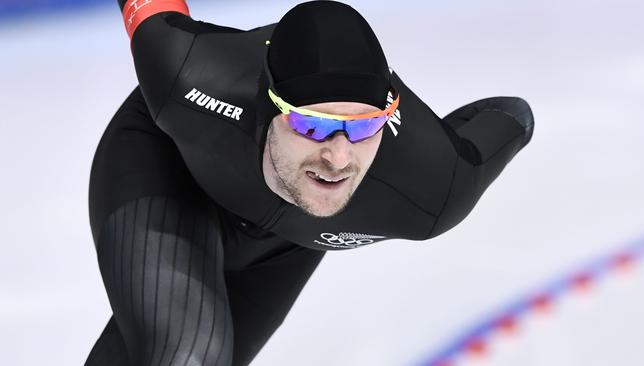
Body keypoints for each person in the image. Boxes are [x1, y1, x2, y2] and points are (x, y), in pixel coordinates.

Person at [85, 1, 534, 365]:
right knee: (190, 354)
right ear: (269, 108)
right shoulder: (186, 73)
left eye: (362, 128)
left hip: (283, 245)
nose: (339, 157)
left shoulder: (434, 189)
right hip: (171, 172)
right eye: (313, 127)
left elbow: (513, 113)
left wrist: (431, 139)